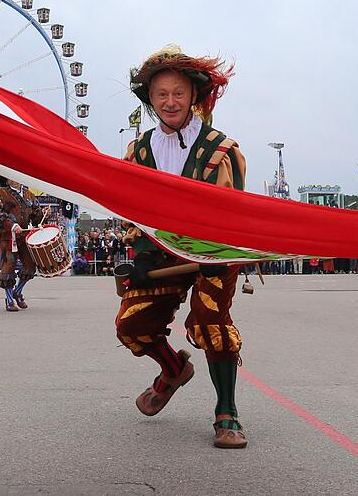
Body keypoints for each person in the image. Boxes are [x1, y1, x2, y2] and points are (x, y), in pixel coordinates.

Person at [114, 46, 248, 449]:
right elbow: (131, 211)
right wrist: (139, 253)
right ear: (150, 100)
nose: (170, 102)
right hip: (160, 254)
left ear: (193, 95)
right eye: (161, 94)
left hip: (212, 253)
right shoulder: (138, 152)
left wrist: (212, 257)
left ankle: (227, 412)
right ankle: (173, 371)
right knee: (131, 326)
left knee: (210, 322)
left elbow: (233, 211)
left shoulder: (221, 149)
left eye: (178, 93)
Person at [0, 176, 45, 312]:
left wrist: (43, 214)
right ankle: (9, 300)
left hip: (24, 236)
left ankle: (18, 291)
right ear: (7, 180)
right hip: (7, 237)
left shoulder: (29, 194)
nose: (15, 178)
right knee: (8, 268)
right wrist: (11, 225)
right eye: (11, 176)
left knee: (30, 266)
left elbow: (36, 215)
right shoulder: (0, 194)